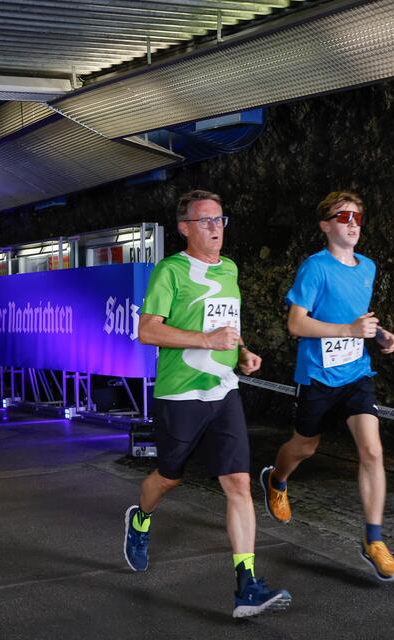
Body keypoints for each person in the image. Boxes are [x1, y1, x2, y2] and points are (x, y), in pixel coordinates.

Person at [123, 189, 291, 618]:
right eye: (206, 221)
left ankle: (246, 584)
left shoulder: (230, 269)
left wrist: (241, 353)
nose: (216, 228)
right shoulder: (170, 271)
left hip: (223, 390)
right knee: (169, 476)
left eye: (220, 220)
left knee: (238, 484)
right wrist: (205, 340)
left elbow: (225, 327)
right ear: (184, 228)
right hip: (180, 395)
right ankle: (140, 518)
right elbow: (147, 331)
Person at [260, 190, 394, 582]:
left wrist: (378, 335)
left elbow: (358, 318)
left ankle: (374, 541)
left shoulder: (368, 267)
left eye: (357, 217)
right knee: (305, 446)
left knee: (372, 451)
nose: (353, 223)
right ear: (326, 225)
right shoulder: (315, 268)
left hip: (357, 373)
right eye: (343, 217)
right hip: (319, 376)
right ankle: (276, 478)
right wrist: (348, 330)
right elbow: (296, 324)